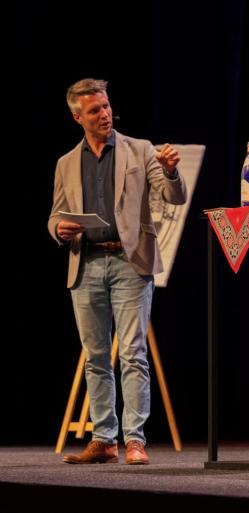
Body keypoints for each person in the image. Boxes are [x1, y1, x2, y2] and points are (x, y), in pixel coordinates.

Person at [50, 79, 187, 465]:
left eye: (107, 106)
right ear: (77, 117)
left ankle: (134, 439)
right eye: (94, 110)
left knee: (132, 352)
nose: (104, 114)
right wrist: (58, 229)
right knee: (95, 355)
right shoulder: (65, 163)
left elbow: (173, 196)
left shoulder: (140, 150)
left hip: (130, 262)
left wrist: (172, 172)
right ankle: (104, 437)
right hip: (86, 261)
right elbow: (54, 215)